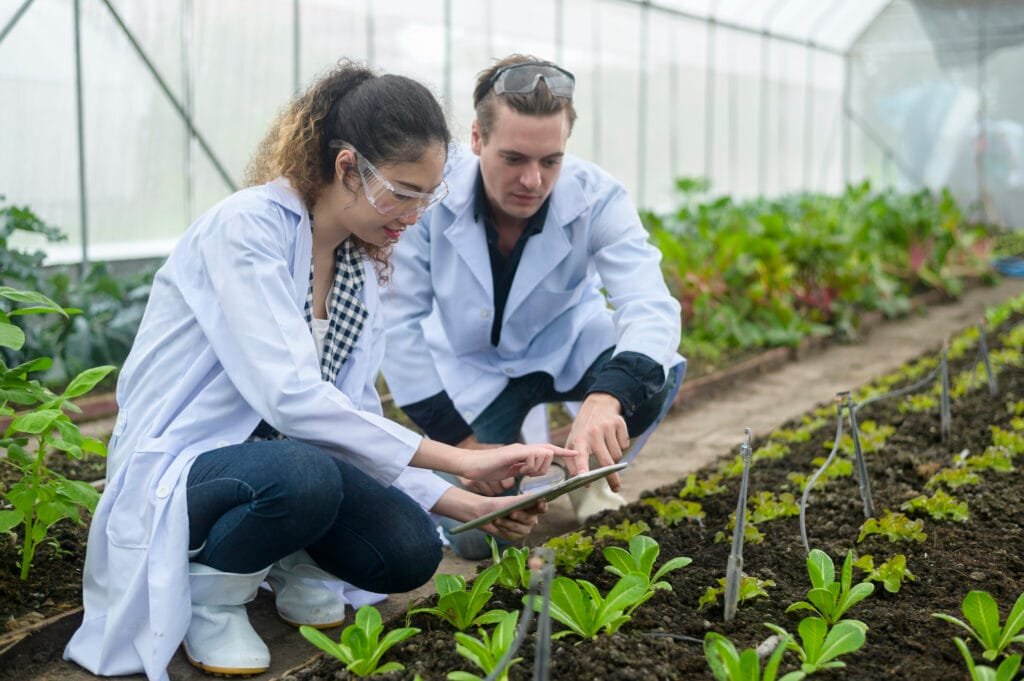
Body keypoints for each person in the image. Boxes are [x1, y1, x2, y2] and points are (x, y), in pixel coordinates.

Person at [63, 61, 580, 681]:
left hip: (288, 468)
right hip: (195, 464)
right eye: (404, 191)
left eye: (429, 195)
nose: (415, 214)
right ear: (346, 169)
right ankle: (213, 594)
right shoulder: (248, 228)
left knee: (409, 550)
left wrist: (465, 504)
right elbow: (290, 400)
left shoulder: (359, 267)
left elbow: (354, 419)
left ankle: (285, 558)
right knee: (306, 473)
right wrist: (460, 457)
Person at [381, 54, 685, 559]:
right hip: (473, 375)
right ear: (477, 139)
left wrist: (606, 399)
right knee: (480, 538)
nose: (533, 181)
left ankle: (585, 471)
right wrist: (463, 445)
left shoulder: (599, 198)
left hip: (568, 347)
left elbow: (649, 305)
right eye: (514, 158)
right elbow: (396, 322)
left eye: (551, 161)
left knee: (653, 373)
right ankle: (536, 464)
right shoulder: (432, 192)